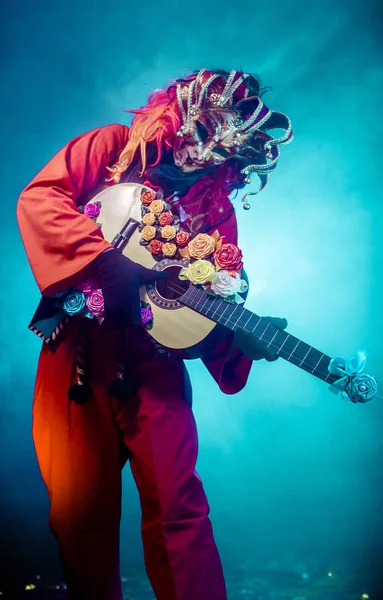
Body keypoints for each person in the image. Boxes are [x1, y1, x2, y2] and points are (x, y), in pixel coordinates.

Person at [16, 69, 293, 600]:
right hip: (77, 353)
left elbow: (209, 301)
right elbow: (42, 199)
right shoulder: (113, 149)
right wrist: (99, 263)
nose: (206, 154)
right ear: (183, 111)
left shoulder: (217, 208)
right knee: (78, 512)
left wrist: (240, 336)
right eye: (207, 133)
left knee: (178, 505)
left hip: (155, 361)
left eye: (225, 151)